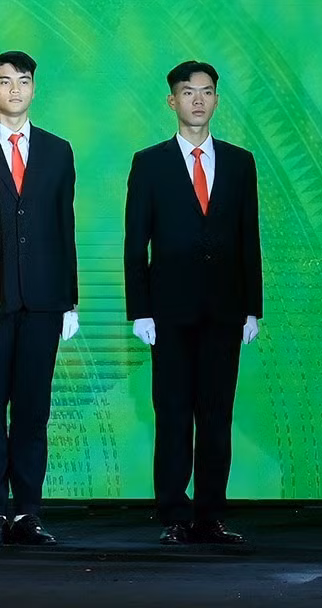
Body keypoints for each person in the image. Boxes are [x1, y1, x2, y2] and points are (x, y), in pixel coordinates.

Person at [123, 61, 262, 546]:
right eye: (188, 92)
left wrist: (253, 308)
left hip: (225, 311)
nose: (198, 100)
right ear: (172, 101)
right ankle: (175, 515)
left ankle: (210, 516)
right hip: (169, 313)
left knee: (217, 416)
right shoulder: (150, 162)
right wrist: (140, 309)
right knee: (174, 414)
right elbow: (134, 241)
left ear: (217, 100)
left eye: (206, 92)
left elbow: (250, 238)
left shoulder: (241, 162)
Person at [0, 51, 79, 548]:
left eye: (24, 80)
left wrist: (69, 299)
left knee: (34, 410)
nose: (15, 88)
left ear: (34, 88)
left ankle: (27, 512)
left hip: (43, 300)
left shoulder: (58, 150)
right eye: (4, 80)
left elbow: (64, 227)